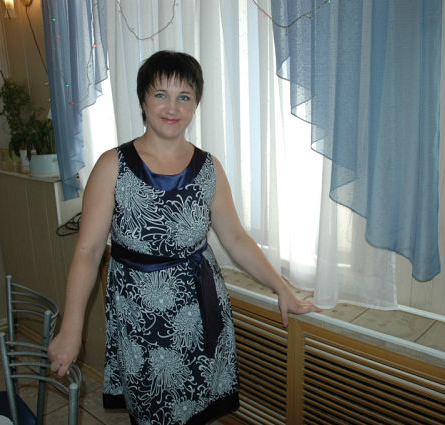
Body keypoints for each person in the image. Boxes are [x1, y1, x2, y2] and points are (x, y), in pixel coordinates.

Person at [47, 50, 320, 425]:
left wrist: (282, 288)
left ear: (195, 104)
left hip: (201, 311)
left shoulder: (209, 167)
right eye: (161, 94)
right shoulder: (113, 165)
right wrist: (71, 328)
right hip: (140, 318)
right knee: (153, 410)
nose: (172, 107)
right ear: (143, 99)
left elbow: (235, 238)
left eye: (184, 97)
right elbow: (88, 250)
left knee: (199, 406)